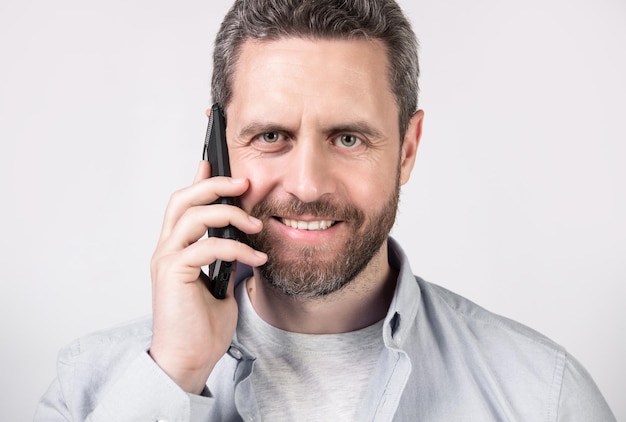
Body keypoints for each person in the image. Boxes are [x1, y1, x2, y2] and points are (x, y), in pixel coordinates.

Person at [35, 0, 615, 420]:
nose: (308, 185)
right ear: (216, 146)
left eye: (348, 138)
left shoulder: (545, 397)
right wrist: (172, 372)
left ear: (407, 149)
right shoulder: (93, 390)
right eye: (270, 136)